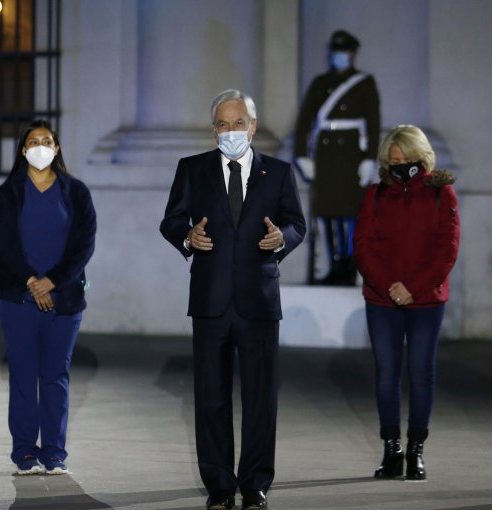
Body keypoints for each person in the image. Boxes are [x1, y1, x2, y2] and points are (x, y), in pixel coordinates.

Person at [160, 89, 306, 510]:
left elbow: (297, 223)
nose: (230, 131)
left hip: (258, 299)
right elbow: (171, 219)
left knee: (261, 398)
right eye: (222, 125)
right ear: (214, 130)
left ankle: (256, 483)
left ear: (253, 127)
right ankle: (220, 487)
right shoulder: (192, 169)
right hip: (209, 300)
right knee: (210, 398)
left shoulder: (277, 173)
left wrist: (282, 240)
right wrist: (187, 236)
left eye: (237, 123)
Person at [0, 120, 96, 476]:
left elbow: (83, 246)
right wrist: (32, 281)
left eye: (47, 141)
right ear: (22, 150)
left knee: (55, 376)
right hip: (18, 299)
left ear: (57, 148)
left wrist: (52, 282)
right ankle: (24, 452)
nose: (40, 146)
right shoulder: (7, 193)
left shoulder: (76, 192)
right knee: (23, 375)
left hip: (64, 299)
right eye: (33, 141)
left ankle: (54, 452)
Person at [353, 125, 459, 482]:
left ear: (421, 158)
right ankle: (391, 450)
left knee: (420, 373)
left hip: (426, 300)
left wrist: (412, 288)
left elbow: (447, 250)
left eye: (407, 160)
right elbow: (363, 247)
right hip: (382, 300)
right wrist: (390, 287)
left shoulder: (442, 194)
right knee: (386, 375)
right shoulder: (375, 195)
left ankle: (416, 452)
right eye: (393, 160)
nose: (400, 166)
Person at [294, 29, 380, 285]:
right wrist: (302, 156)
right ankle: (333, 264)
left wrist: (369, 158)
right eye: (336, 52)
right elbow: (304, 121)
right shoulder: (320, 83)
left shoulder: (364, 83)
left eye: (344, 52)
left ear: (352, 54)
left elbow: (373, 122)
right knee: (327, 212)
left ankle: (350, 264)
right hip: (326, 154)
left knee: (350, 212)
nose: (339, 56)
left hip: (350, 154)